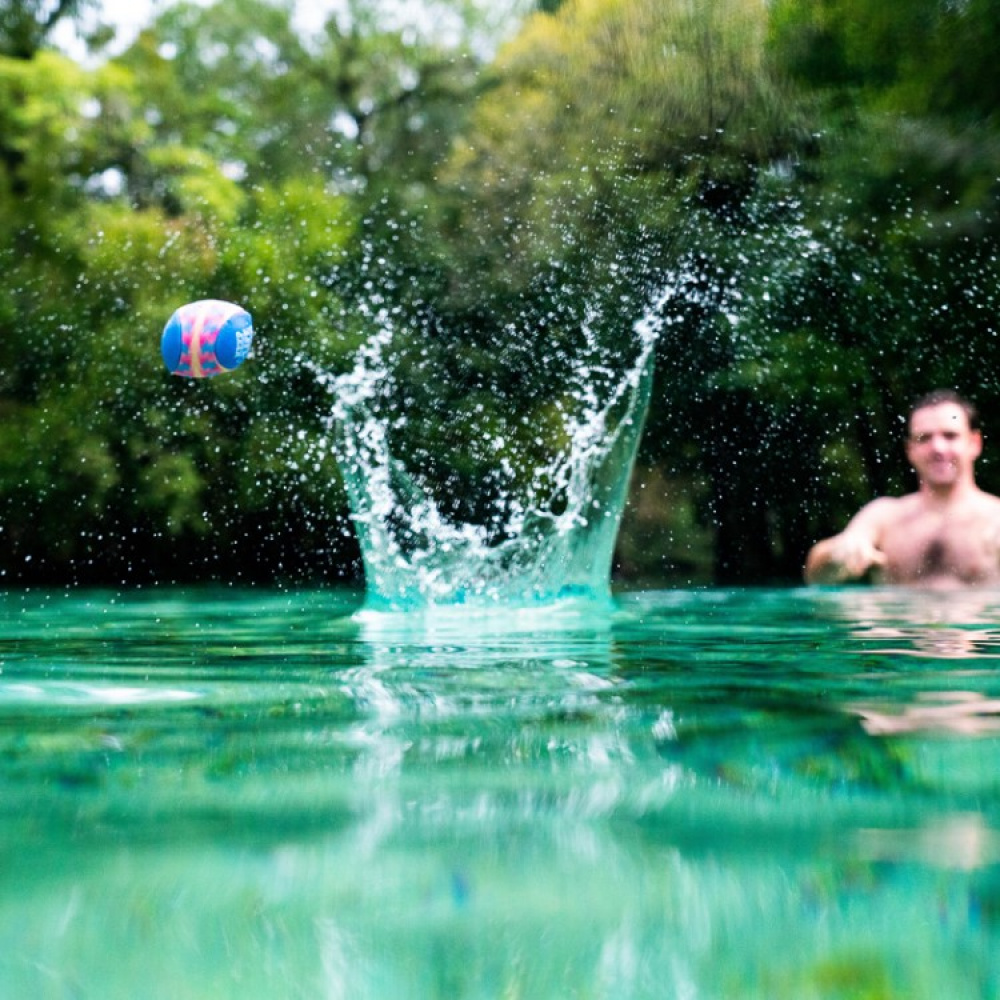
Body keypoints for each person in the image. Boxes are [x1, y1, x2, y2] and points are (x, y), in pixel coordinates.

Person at [804, 390, 1000, 587]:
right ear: (910, 450)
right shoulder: (884, 517)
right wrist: (841, 550)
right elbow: (815, 578)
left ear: (974, 443)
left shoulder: (996, 519)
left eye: (950, 436)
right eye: (924, 438)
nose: (938, 448)